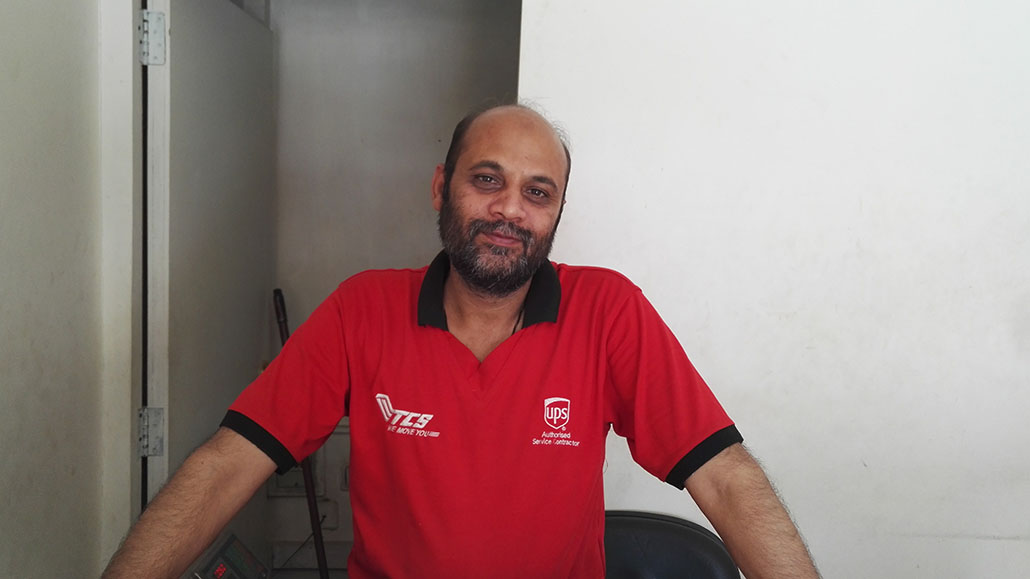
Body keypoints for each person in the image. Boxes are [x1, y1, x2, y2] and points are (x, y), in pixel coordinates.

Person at [102, 104, 819, 578]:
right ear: (441, 187)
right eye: (487, 179)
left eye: (537, 192)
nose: (510, 209)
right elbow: (229, 461)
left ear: (557, 213)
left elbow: (725, 475)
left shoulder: (608, 310)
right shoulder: (363, 308)